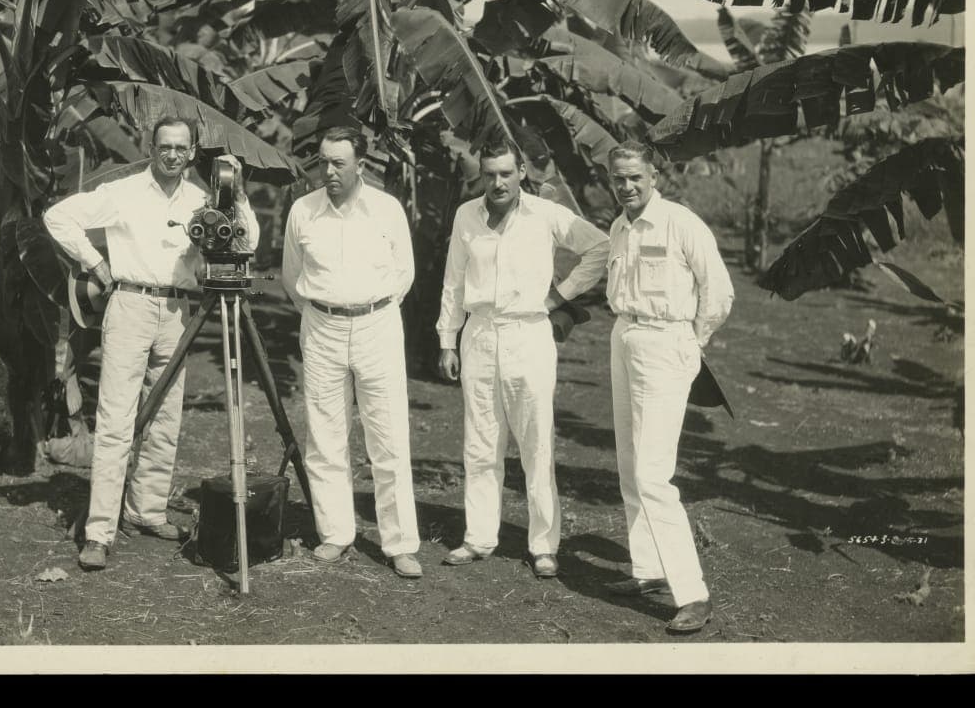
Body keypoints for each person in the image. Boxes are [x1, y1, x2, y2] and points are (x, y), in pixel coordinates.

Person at [43, 118, 259, 571]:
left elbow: (248, 242)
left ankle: (147, 511)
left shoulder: (202, 198)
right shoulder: (122, 192)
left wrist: (236, 194)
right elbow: (57, 216)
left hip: (180, 311)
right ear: (151, 147)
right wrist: (97, 264)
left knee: (165, 419)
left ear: (192, 151)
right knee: (117, 420)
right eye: (165, 146)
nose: (173, 155)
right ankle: (99, 531)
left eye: (182, 148)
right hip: (131, 304)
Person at [436, 139, 608, 579]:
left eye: (506, 173)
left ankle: (544, 545)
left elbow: (600, 248)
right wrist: (447, 339)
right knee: (480, 443)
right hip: (479, 335)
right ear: (482, 175)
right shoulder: (465, 216)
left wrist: (560, 295)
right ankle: (478, 537)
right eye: (490, 174)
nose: (498, 182)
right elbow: (454, 281)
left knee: (536, 444)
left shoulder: (545, 214)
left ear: (522, 173)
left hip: (529, 334)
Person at [603, 142, 734, 633]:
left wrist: (690, 342)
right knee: (629, 464)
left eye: (635, 177)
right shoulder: (620, 228)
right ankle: (649, 570)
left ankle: (692, 592)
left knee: (654, 474)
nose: (627, 187)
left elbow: (718, 292)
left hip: (667, 341)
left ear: (654, 176)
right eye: (619, 178)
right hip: (624, 336)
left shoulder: (680, 223)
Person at [281, 126, 422, 579]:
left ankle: (400, 544)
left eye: (338, 163)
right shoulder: (303, 210)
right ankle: (335, 533)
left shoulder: (386, 209)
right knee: (324, 437)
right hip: (321, 326)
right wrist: (324, 309)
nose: (328, 171)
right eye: (323, 161)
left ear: (360, 164)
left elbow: (404, 273)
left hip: (377, 324)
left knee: (388, 438)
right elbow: (291, 277)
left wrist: (369, 308)